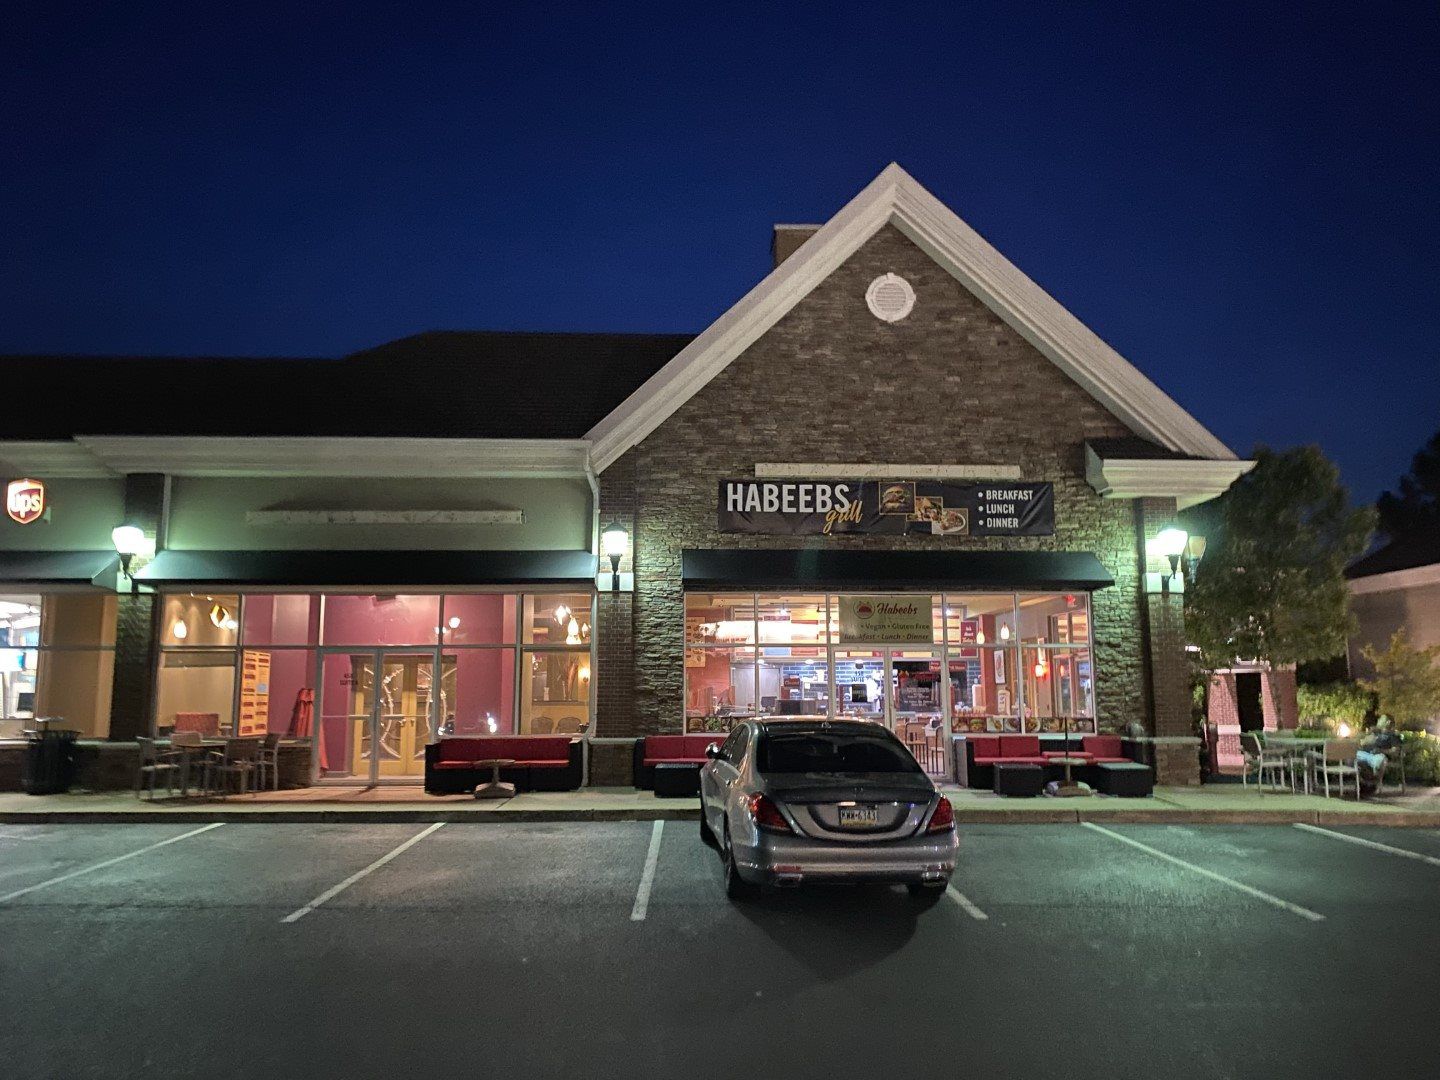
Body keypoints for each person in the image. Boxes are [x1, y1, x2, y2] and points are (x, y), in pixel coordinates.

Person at [1356, 716, 1402, 793]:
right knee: (1351, 755)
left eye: (1381, 719)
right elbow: (1362, 743)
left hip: (1379, 756)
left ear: (1388, 722)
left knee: (1381, 760)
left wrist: (1380, 750)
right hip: (1367, 754)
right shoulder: (1376, 733)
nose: (1378, 720)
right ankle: (1364, 782)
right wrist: (1367, 735)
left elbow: (1395, 751)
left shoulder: (1393, 735)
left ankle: (1375, 783)